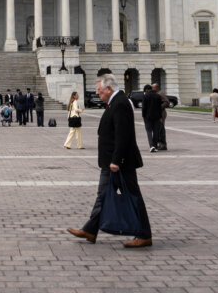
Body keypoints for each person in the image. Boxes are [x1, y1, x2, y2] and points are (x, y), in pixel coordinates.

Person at [67, 73, 153, 248]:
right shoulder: (116, 102)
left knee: (133, 196)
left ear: (108, 88)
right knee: (103, 196)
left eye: (99, 90)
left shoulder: (120, 103)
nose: (97, 93)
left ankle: (144, 235)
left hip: (121, 162)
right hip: (112, 162)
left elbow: (123, 135)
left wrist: (117, 160)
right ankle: (90, 229)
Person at [141, 84, 162, 152]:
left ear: (147, 90)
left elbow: (144, 108)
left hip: (148, 116)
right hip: (156, 116)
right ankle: (155, 146)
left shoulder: (145, 96)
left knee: (149, 131)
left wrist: (143, 116)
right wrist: (160, 117)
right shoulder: (158, 96)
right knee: (156, 131)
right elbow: (160, 108)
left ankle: (151, 146)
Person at [152, 83, 168, 151]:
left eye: (153, 87)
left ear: (157, 88)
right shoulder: (157, 94)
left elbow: (167, 102)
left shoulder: (160, 93)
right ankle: (160, 144)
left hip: (161, 113)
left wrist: (159, 107)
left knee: (161, 129)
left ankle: (163, 144)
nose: (152, 89)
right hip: (158, 113)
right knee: (158, 129)